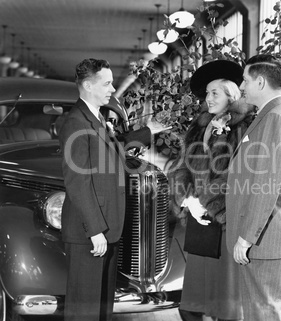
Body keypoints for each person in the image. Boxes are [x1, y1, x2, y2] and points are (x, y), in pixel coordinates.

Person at [59, 58, 165, 321]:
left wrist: (148, 131)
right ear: (87, 85)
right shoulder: (75, 122)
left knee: (101, 307)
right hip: (90, 232)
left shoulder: (94, 117)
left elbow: (113, 146)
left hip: (107, 228)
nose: (111, 89)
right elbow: (77, 182)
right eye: (106, 83)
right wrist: (95, 230)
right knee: (84, 309)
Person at [168, 60, 255, 321]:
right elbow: (181, 166)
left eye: (214, 92)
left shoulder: (247, 126)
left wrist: (208, 199)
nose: (208, 98)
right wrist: (188, 201)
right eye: (206, 93)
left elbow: (242, 175)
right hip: (200, 221)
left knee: (225, 304)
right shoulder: (199, 125)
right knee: (193, 303)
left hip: (228, 222)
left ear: (231, 94)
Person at [225, 54, 281, 321]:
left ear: (260, 82)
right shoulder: (273, 114)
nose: (242, 86)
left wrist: (246, 237)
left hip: (263, 240)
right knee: (268, 308)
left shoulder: (274, 119)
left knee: (262, 311)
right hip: (268, 239)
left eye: (245, 80)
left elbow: (265, 185)